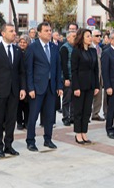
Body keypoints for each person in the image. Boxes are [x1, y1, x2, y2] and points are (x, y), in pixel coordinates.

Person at [0, 23, 27, 158]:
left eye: (14, 31)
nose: (14, 33)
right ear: (3, 33)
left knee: (11, 120)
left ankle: (8, 145)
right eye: (11, 31)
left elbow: (21, 72)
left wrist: (22, 88)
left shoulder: (17, 51)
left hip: (14, 91)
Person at [25, 22, 63, 151]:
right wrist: (30, 88)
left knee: (49, 116)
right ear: (39, 33)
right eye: (46, 30)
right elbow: (28, 70)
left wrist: (59, 85)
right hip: (37, 88)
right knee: (33, 116)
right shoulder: (33, 47)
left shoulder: (54, 47)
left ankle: (48, 139)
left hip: (51, 88)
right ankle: (30, 140)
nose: (49, 32)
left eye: (50, 30)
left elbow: (58, 68)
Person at [70, 28, 99, 144]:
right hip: (80, 85)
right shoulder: (76, 51)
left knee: (87, 110)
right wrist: (76, 87)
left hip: (91, 85)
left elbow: (96, 70)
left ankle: (84, 132)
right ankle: (78, 133)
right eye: (88, 36)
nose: (90, 38)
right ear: (81, 38)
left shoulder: (92, 51)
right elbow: (74, 70)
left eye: (90, 36)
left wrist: (96, 85)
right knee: (78, 111)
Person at [59, 31, 76, 126]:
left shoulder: (76, 47)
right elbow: (64, 64)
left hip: (75, 77)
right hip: (67, 77)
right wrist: (66, 78)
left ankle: (72, 117)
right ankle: (65, 117)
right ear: (68, 38)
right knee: (67, 99)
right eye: (73, 36)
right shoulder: (64, 48)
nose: (75, 38)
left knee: (74, 99)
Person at [90, 29, 105, 121]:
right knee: (89, 97)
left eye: (100, 36)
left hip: (99, 76)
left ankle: (95, 113)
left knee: (98, 97)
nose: (99, 37)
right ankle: (87, 114)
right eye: (97, 36)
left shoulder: (100, 48)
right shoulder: (89, 47)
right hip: (90, 76)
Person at [16, 35, 30, 131]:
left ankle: (27, 122)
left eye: (24, 42)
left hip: (28, 80)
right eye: (21, 42)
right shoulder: (16, 52)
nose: (22, 44)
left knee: (27, 104)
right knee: (18, 104)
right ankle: (19, 122)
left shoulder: (30, 52)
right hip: (18, 81)